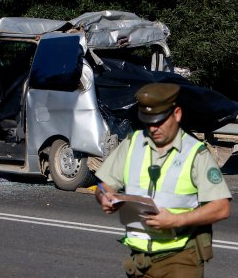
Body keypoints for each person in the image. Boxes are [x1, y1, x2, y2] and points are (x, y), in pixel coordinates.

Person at [95, 83, 231, 278]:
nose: (153, 128)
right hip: (140, 260)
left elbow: (221, 207)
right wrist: (104, 197)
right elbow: (103, 184)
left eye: (159, 121)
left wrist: (177, 220)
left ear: (176, 114)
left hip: (181, 258)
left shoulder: (195, 153)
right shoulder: (132, 144)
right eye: (148, 122)